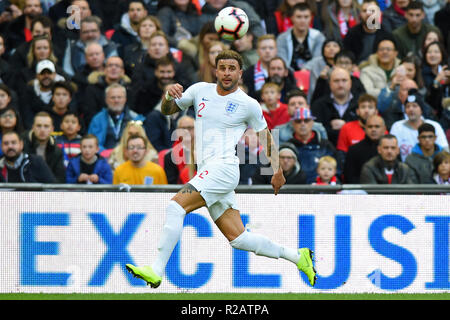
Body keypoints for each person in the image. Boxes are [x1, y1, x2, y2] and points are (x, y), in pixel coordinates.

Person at [125, 50, 317, 288]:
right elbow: (168, 110)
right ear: (216, 70)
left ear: (240, 72)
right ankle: (299, 257)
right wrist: (168, 96)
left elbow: (266, 138)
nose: (226, 73)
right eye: (222, 68)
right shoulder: (198, 90)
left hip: (223, 169)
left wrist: (277, 171)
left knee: (176, 207)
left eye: (232, 68)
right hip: (208, 171)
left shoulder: (248, 104)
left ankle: (156, 270)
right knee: (239, 238)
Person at [390, 89, 448, 161]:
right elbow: (391, 150)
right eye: (408, 106)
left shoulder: (434, 125)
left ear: (421, 110)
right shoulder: (397, 127)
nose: (411, 109)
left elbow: (445, 150)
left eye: (415, 106)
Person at [88, 83, 145, 152]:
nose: (116, 100)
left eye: (119, 97)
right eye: (113, 97)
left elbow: (142, 144)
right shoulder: (97, 119)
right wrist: (107, 154)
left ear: (125, 99)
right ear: (106, 100)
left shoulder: (136, 118)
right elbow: (92, 144)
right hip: (104, 158)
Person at [288, 107, 338, 183]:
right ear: (293, 124)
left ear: (312, 122)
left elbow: (337, 170)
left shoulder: (326, 145)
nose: (303, 124)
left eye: (306, 120)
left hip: (322, 191)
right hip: (295, 191)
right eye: (298, 121)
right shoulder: (288, 147)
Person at [311, 67, 359, 146]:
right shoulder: (318, 105)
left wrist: (346, 126)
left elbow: (364, 129)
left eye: (344, 80)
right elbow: (315, 131)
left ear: (350, 83)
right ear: (330, 84)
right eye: (336, 81)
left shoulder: (360, 104)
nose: (340, 85)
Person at [81, 56, 131, 126]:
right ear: (104, 70)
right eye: (110, 65)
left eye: (117, 66)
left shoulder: (129, 89)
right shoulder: (92, 89)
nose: (113, 68)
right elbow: (89, 114)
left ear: (123, 71)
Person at [276, 3, 326, 72]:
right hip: (288, 76)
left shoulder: (318, 37)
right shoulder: (282, 38)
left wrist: (304, 70)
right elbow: (281, 60)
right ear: (292, 18)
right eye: (299, 17)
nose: (303, 21)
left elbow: (318, 58)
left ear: (311, 18)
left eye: (306, 17)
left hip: (312, 74)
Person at [19, 59, 67, 129]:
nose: (46, 76)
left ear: (54, 74)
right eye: (42, 73)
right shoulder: (29, 91)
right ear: (37, 75)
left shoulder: (64, 89)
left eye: (49, 73)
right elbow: (27, 116)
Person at [343, 0, 395, 64]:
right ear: (360, 14)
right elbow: (346, 56)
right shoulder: (352, 34)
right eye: (365, 11)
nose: (368, 14)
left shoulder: (387, 34)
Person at [22, 111, 66, 183]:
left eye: (46, 126)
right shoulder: (22, 146)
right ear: (33, 127)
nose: (42, 130)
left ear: (52, 129)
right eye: (39, 126)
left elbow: (60, 179)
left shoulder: (57, 151)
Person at [344, 114, 386, 183]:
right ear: (365, 129)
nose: (373, 129)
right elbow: (349, 178)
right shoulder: (354, 150)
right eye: (370, 127)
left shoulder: (391, 149)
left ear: (384, 129)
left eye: (377, 127)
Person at [242, 34, 278, 100]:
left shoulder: (285, 71)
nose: (267, 51)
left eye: (271, 48)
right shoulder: (248, 74)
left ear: (276, 50)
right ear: (257, 51)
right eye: (263, 48)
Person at [163, 115, 197, 184]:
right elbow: (172, 184)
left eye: (190, 128)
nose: (186, 131)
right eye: (183, 128)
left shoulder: (205, 152)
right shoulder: (170, 157)